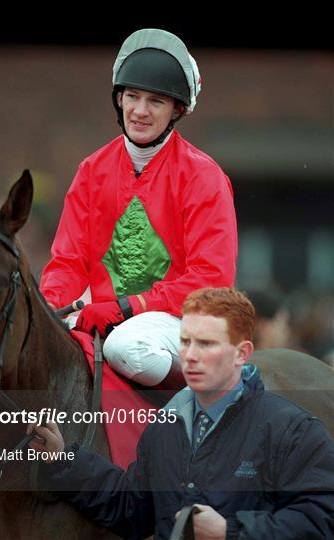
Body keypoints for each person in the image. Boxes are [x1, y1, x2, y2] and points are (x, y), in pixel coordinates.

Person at [28, 287, 334, 540]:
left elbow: (321, 520)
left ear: (241, 353)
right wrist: (62, 459)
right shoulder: (166, 429)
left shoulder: (292, 429)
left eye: (206, 344)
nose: (191, 355)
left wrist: (229, 531)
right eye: (185, 342)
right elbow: (132, 509)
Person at [39, 28, 237, 392]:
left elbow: (211, 278)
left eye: (156, 102)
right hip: (102, 319)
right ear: (119, 99)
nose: (140, 111)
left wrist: (129, 307)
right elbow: (67, 263)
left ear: (177, 109)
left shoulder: (204, 176)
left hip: (183, 324)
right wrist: (46, 310)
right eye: (132, 97)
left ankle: (212, 398)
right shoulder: (91, 170)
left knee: (126, 346)